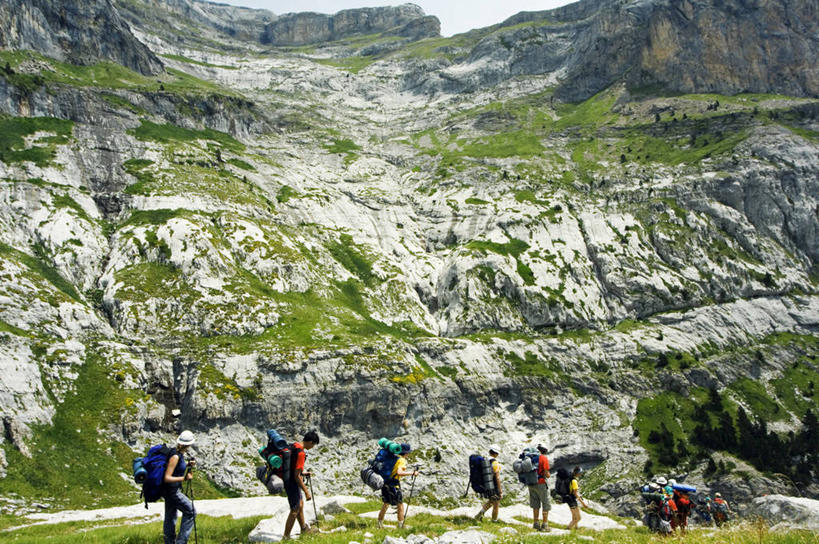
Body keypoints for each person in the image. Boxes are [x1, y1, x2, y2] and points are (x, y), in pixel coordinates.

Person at [283, 430, 320, 539]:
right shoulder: (301, 453)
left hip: (287, 479)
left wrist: (302, 473)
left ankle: (303, 529)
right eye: (313, 445)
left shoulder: (294, 445)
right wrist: (307, 492)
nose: (312, 447)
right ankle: (286, 537)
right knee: (295, 509)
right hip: (292, 483)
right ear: (311, 442)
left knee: (300, 504)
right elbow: (296, 476)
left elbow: (293, 468)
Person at [162, 431, 197, 544]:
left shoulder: (177, 453)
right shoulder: (175, 456)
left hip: (168, 491)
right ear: (188, 444)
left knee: (170, 517)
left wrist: (187, 465)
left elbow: (176, 467)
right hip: (172, 492)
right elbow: (167, 477)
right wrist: (184, 478)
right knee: (191, 512)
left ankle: (169, 542)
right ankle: (181, 542)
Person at [377, 443, 419, 529]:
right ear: (406, 453)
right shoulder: (402, 460)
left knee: (386, 503)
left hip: (385, 482)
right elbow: (399, 472)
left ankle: (380, 524)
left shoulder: (394, 457)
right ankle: (401, 526)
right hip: (394, 485)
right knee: (400, 504)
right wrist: (412, 473)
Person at [474, 445, 503, 522]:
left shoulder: (485, 461)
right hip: (493, 485)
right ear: (496, 453)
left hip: (486, 484)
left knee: (491, 501)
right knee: (496, 503)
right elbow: (497, 477)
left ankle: (479, 515)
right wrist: (500, 490)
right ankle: (494, 521)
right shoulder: (495, 462)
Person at [529, 444, 551, 531]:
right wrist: (548, 475)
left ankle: (536, 523)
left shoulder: (530, 458)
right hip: (541, 483)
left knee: (535, 504)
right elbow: (546, 473)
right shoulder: (543, 458)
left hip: (531, 483)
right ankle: (545, 524)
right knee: (545, 503)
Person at [566, 466, 588, 530]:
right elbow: (575, 494)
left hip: (568, 499)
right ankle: (568, 528)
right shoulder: (574, 481)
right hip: (572, 500)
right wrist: (583, 503)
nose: (581, 474)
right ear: (577, 473)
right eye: (580, 473)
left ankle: (576, 528)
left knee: (574, 516)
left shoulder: (569, 478)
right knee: (578, 518)